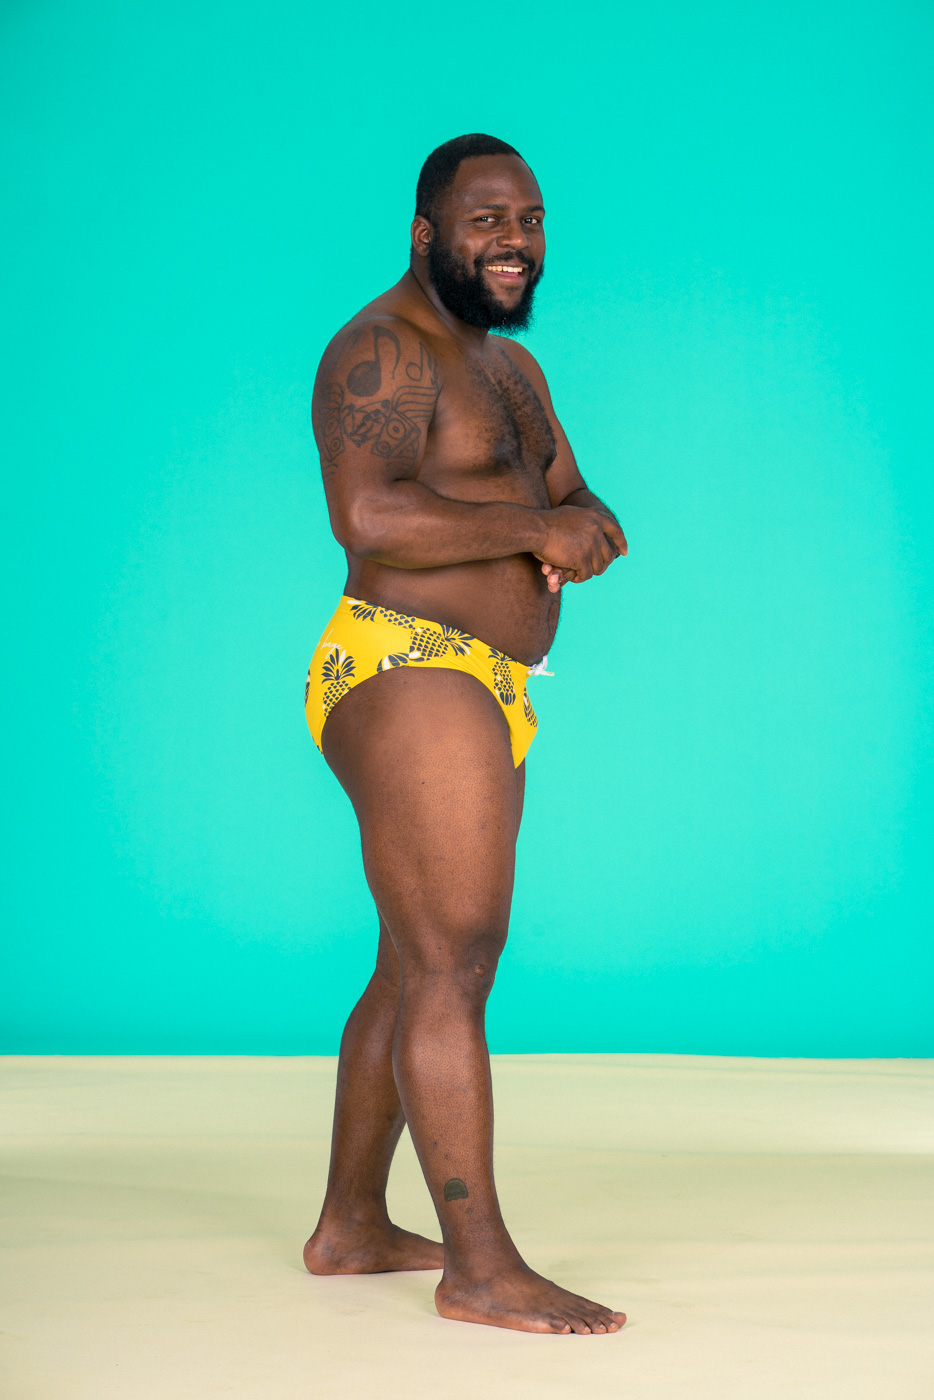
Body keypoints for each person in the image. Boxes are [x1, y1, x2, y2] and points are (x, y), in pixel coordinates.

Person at [301, 133, 628, 1335]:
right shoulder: (383, 349)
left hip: (492, 680)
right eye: (486, 220)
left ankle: (350, 1224)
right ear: (425, 233)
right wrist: (536, 531)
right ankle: (479, 1265)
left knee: (412, 959)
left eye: (529, 220)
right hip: (406, 662)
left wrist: (582, 525)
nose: (514, 242)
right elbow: (370, 513)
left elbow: (570, 494)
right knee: (456, 959)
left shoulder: (511, 370)